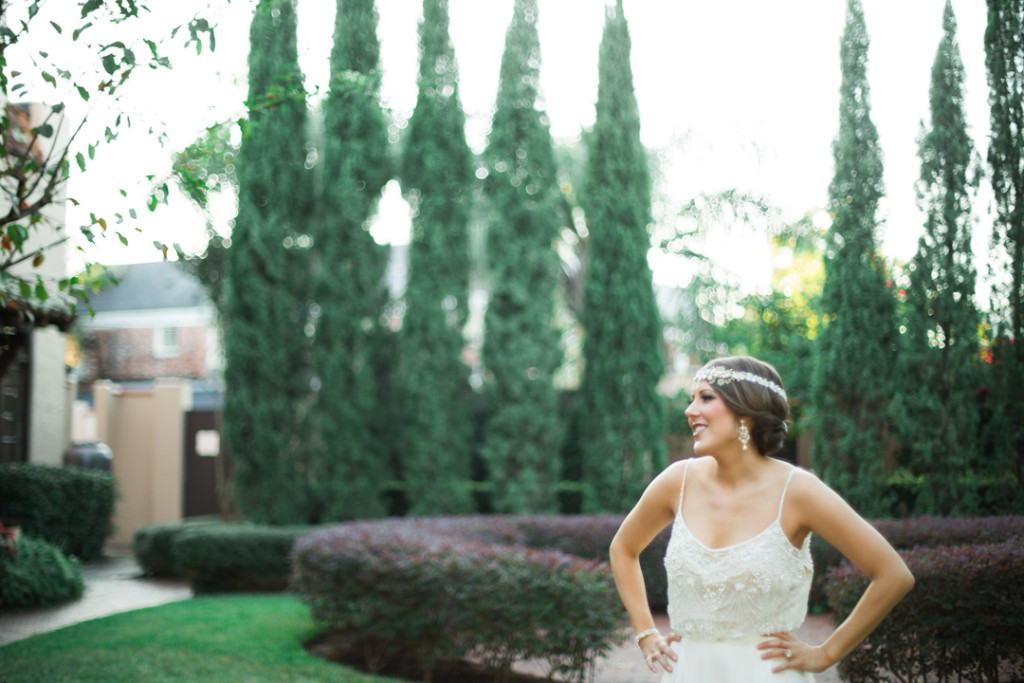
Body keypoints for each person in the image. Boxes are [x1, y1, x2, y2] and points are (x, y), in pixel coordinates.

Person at [609, 356, 914, 681]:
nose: (689, 410)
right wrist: (645, 633)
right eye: (691, 398)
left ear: (746, 413)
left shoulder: (798, 491)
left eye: (706, 398)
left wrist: (827, 653)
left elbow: (893, 575)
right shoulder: (677, 481)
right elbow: (623, 549)